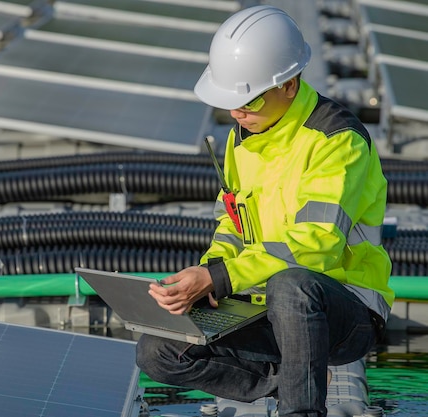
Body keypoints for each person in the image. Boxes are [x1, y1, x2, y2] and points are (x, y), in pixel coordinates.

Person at [135, 5, 394, 417]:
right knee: (158, 351)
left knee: (292, 287)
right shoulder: (242, 137)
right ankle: (294, 378)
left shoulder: (337, 140)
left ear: (289, 84)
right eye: (230, 103)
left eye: (248, 99)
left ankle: (301, 409)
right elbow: (232, 225)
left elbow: (316, 249)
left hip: (342, 311)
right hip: (263, 305)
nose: (237, 113)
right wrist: (209, 276)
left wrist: (220, 278)